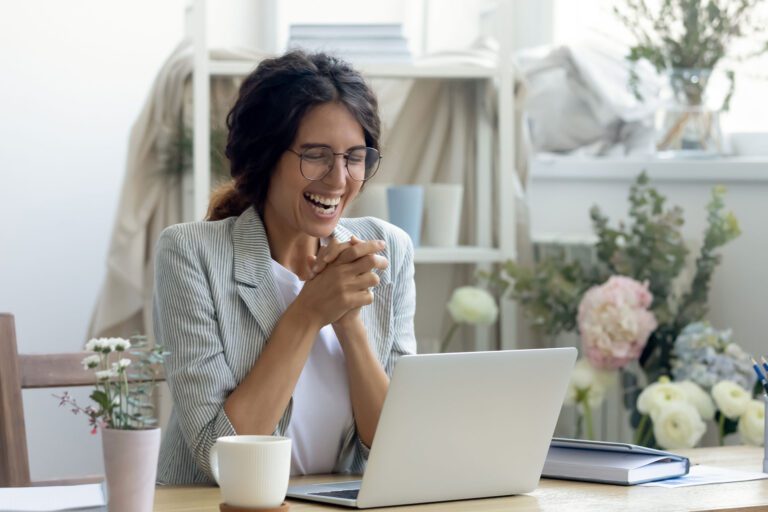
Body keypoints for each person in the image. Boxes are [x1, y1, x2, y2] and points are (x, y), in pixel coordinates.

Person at [153, 51, 417, 485]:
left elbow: (398, 449)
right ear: (265, 156)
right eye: (315, 155)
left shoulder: (388, 248)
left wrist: (349, 323)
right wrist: (310, 311)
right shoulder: (190, 253)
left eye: (354, 157)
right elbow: (220, 456)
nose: (338, 179)